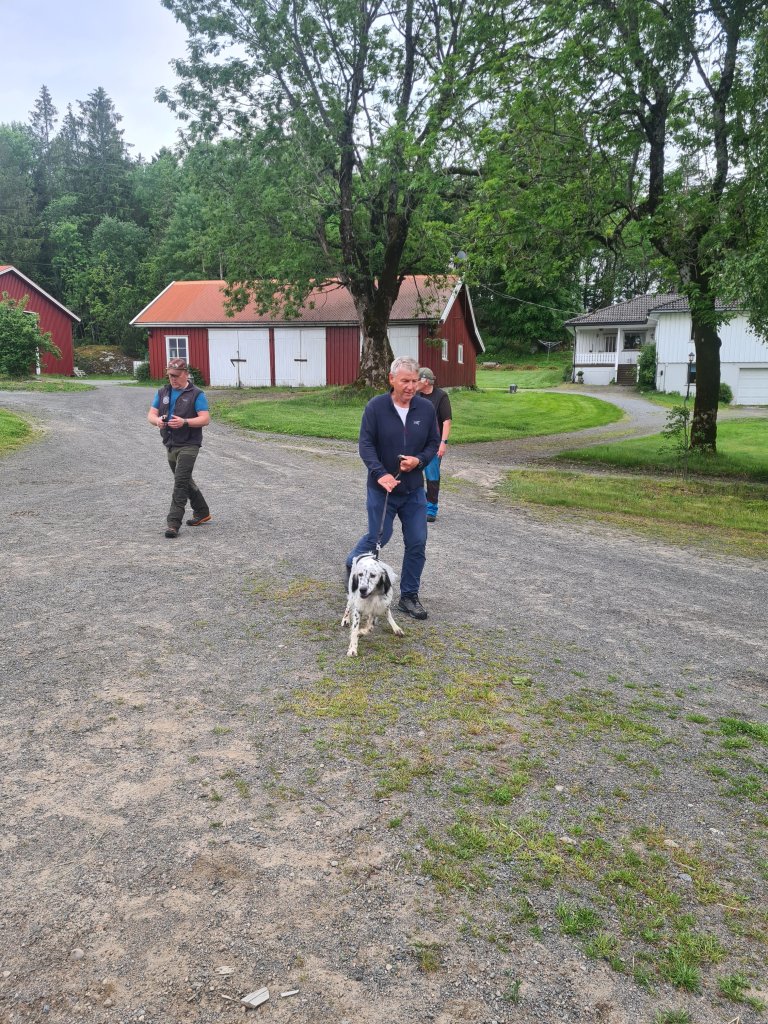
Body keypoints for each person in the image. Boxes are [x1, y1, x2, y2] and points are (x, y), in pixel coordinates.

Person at [346, 356, 440, 620]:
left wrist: (419, 460)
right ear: (391, 380)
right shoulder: (376, 407)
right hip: (382, 489)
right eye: (405, 381)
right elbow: (365, 445)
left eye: (415, 381)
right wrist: (380, 474)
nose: (411, 386)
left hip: (413, 491)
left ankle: (409, 596)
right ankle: (353, 565)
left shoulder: (425, 409)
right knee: (379, 537)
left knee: (418, 542)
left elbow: (433, 443)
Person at [148, 357, 212, 538]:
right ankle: (202, 512)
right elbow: (151, 414)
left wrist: (185, 422)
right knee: (184, 479)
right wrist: (158, 421)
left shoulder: (196, 394)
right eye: (170, 376)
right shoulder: (162, 392)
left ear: (186, 374)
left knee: (180, 482)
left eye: (176, 375)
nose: (173, 379)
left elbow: (205, 419)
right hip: (170, 443)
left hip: (189, 444)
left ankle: (173, 524)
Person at [416, 367, 452, 522]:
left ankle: (431, 509)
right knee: (411, 475)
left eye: (417, 379)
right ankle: (422, 501)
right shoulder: (416, 396)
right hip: (417, 442)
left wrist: (443, 443)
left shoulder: (441, 396)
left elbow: (447, 421)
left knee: (432, 476)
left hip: (434, 444)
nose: (414, 382)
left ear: (425, 380)